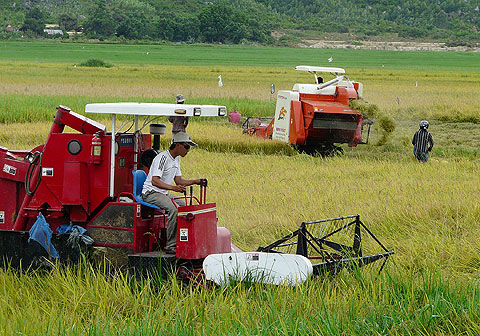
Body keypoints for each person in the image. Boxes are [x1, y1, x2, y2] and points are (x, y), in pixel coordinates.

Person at [141, 132, 203, 254]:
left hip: (163, 192)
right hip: (151, 193)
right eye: (186, 147)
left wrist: (196, 181)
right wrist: (174, 188)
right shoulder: (162, 158)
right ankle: (170, 245)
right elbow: (155, 181)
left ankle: (183, 240)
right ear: (177, 145)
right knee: (174, 209)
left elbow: (178, 180)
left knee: (184, 207)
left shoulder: (176, 159)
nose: (188, 150)